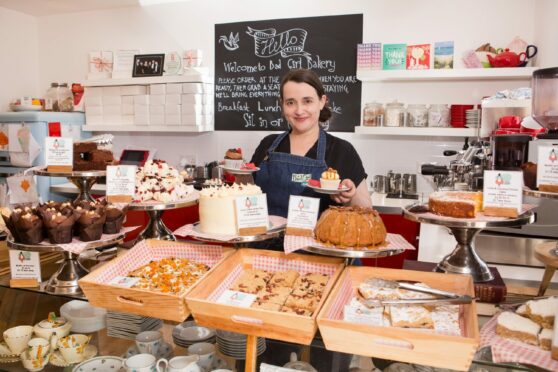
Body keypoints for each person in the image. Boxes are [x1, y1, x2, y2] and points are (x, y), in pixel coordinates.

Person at [251, 68, 372, 217]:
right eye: (290, 102)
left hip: (319, 240)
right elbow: (248, 195)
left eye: (307, 101)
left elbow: (366, 211)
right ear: (282, 105)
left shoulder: (342, 151)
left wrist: (349, 197)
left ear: (321, 102)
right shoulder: (267, 145)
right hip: (266, 239)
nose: (299, 110)